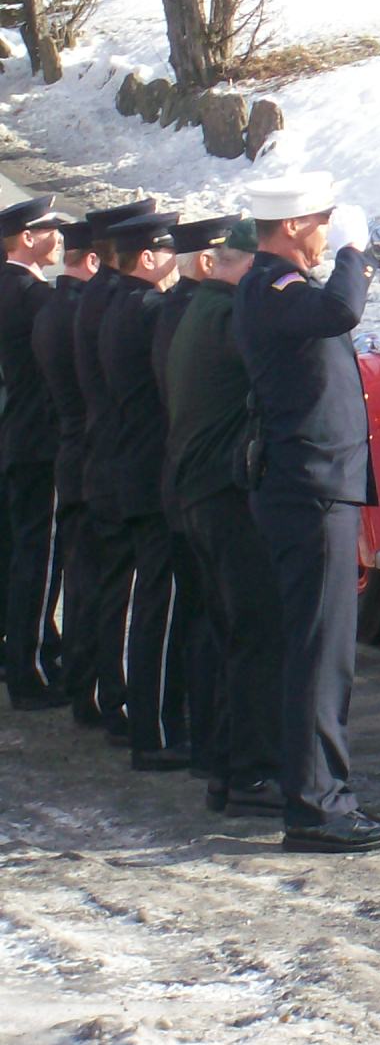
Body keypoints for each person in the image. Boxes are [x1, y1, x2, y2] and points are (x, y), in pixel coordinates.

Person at [236, 173, 380, 852]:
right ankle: (317, 807)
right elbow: (341, 312)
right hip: (310, 488)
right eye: (323, 220)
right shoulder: (277, 288)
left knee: (317, 649)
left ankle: (314, 791)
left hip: (313, 484)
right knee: (321, 653)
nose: (330, 230)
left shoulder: (280, 288)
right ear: (294, 226)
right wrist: (355, 256)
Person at [166, 218, 282, 814]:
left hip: (199, 493)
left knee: (228, 631)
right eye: (254, 268)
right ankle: (251, 771)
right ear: (231, 263)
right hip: (224, 494)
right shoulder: (226, 315)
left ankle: (224, 764)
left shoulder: (199, 311)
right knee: (255, 633)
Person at [98, 210, 188, 769]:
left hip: (128, 465)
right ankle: (151, 732)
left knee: (147, 597)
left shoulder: (116, 305)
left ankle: (146, 720)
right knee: (158, 602)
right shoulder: (149, 309)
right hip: (150, 470)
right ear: (149, 257)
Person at [153, 215, 237, 789]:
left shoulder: (173, 310)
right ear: (207, 262)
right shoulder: (196, 315)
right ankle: (212, 743)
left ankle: (208, 740)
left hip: (182, 482)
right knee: (211, 621)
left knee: (203, 618)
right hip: (199, 484)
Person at [72, 197, 159, 739]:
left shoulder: (94, 298)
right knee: (125, 591)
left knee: (107, 585)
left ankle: (101, 692)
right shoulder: (121, 303)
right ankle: (119, 700)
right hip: (123, 456)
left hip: (103, 453)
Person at [33, 218, 101, 724]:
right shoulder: (81, 313)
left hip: (72, 451)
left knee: (81, 572)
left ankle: (80, 676)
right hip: (88, 453)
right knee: (92, 576)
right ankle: (89, 681)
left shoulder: (55, 307)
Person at [0, 196, 66, 709]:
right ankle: (31, 668)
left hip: (15, 434)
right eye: (50, 228)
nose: (59, 237)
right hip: (39, 437)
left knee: (16, 551)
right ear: (26, 238)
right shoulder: (32, 296)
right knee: (37, 559)